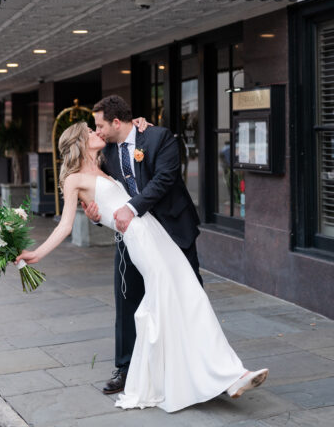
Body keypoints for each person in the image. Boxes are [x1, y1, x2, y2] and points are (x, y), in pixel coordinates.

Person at [16, 121, 269, 413]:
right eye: (90, 131)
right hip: (140, 241)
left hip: (157, 233)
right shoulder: (73, 178)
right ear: (80, 142)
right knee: (167, 304)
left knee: (192, 297)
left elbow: (128, 172)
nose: (97, 132)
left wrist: (141, 124)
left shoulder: (104, 163)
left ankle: (225, 374)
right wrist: (36, 253)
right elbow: (65, 226)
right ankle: (204, 378)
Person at [84, 95, 202, 396]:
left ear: (116, 122)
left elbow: (164, 179)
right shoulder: (107, 153)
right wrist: (97, 217)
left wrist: (132, 208)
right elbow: (108, 195)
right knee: (126, 300)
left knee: (189, 295)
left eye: (99, 125)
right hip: (133, 237)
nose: (97, 131)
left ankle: (199, 363)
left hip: (174, 229)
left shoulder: (159, 137)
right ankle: (125, 368)